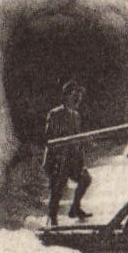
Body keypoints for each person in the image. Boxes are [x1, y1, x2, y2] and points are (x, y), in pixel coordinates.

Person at [43, 81, 92, 225]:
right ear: (66, 97)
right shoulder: (55, 114)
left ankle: (75, 208)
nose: (78, 99)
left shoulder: (76, 116)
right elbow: (48, 138)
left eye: (79, 96)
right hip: (57, 159)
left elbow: (78, 140)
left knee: (85, 179)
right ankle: (52, 219)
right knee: (57, 187)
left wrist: (80, 159)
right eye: (74, 95)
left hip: (72, 159)